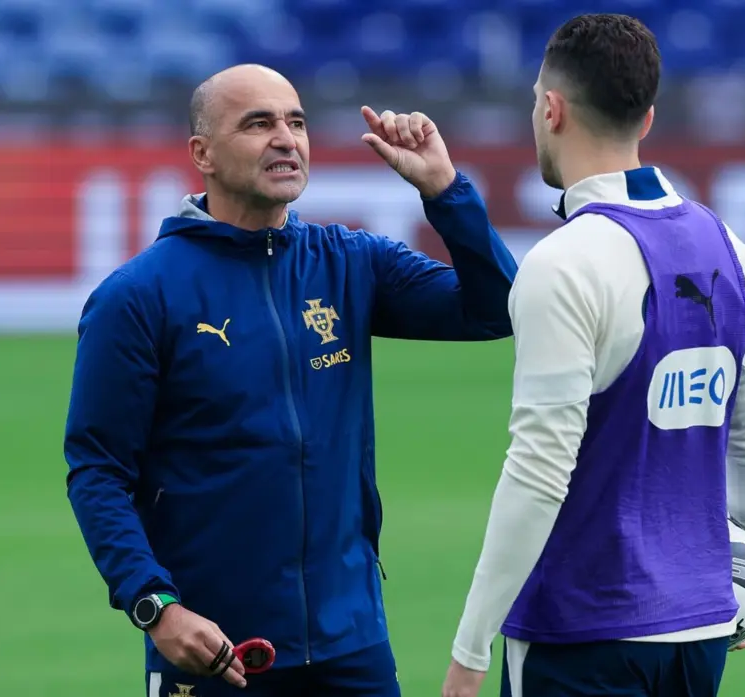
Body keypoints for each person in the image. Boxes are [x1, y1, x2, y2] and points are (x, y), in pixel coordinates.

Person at [63, 63, 517, 697]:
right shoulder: (137, 298)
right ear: (204, 155)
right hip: (218, 652)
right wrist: (155, 605)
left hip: (352, 643)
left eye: (296, 122)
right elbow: (98, 471)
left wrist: (445, 190)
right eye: (258, 123)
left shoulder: (350, 262)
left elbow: (496, 309)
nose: (286, 137)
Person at [440, 14, 745, 697]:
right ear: (647, 117)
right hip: (697, 635)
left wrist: (469, 649)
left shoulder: (564, 264)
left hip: (580, 634)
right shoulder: (729, 250)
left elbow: (539, 469)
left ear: (551, 108)